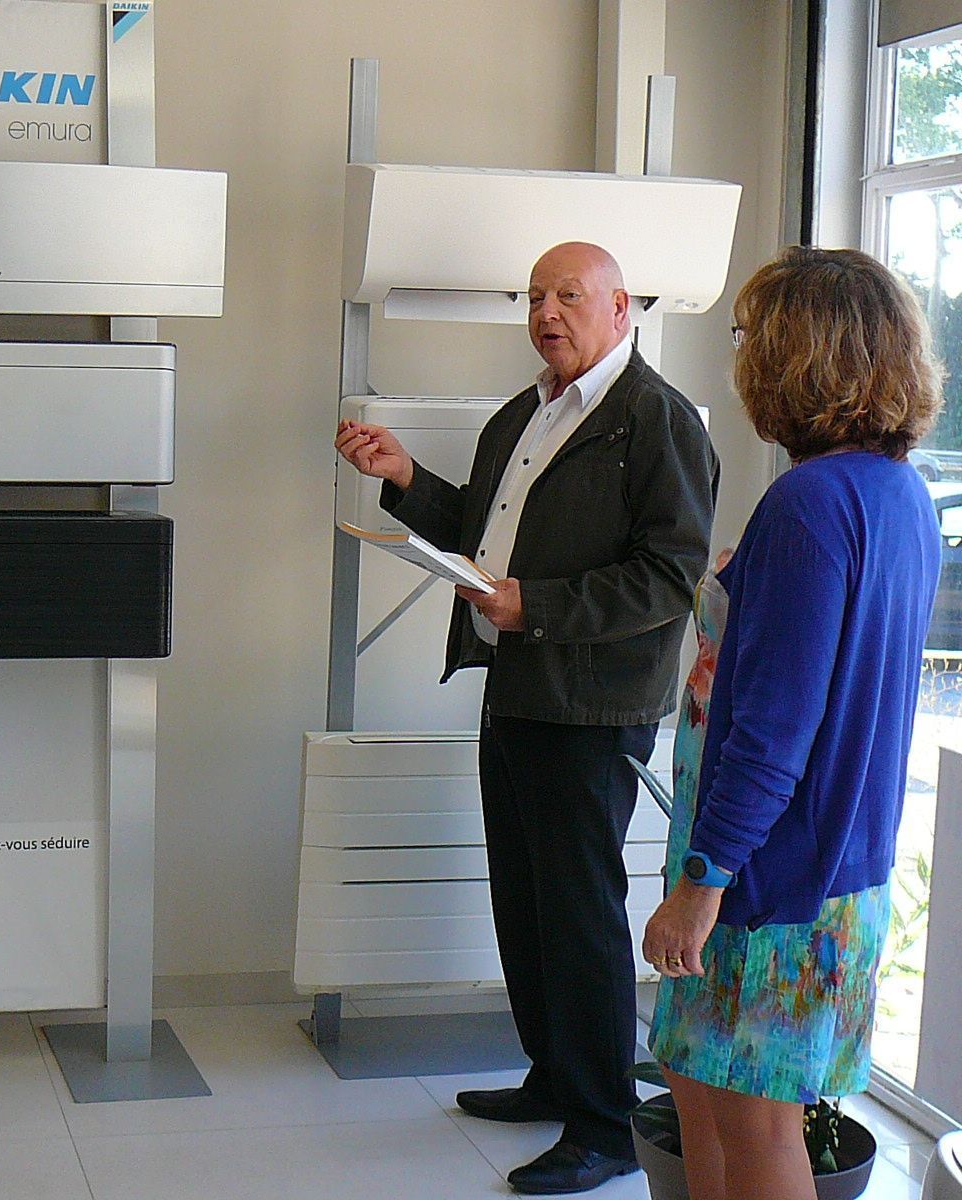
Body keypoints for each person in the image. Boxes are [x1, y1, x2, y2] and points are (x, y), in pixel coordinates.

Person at [336, 241, 719, 1194]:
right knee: (524, 896)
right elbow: (485, 527)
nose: (548, 312)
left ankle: (601, 1124)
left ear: (621, 307)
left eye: (570, 296)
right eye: (537, 296)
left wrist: (535, 606)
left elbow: (670, 576)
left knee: (580, 912)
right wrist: (406, 475)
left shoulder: (656, 421)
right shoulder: (527, 410)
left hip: (592, 706)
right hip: (517, 686)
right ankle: (554, 1077)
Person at [641, 246, 942, 1200]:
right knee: (704, 1097)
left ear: (795, 351)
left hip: (771, 876)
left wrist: (702, 882)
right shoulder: (898, 495)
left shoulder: (810, 503)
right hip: (818, 864)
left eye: (746, 335)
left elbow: (776, 730)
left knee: (757, 1126)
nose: (739, 356)